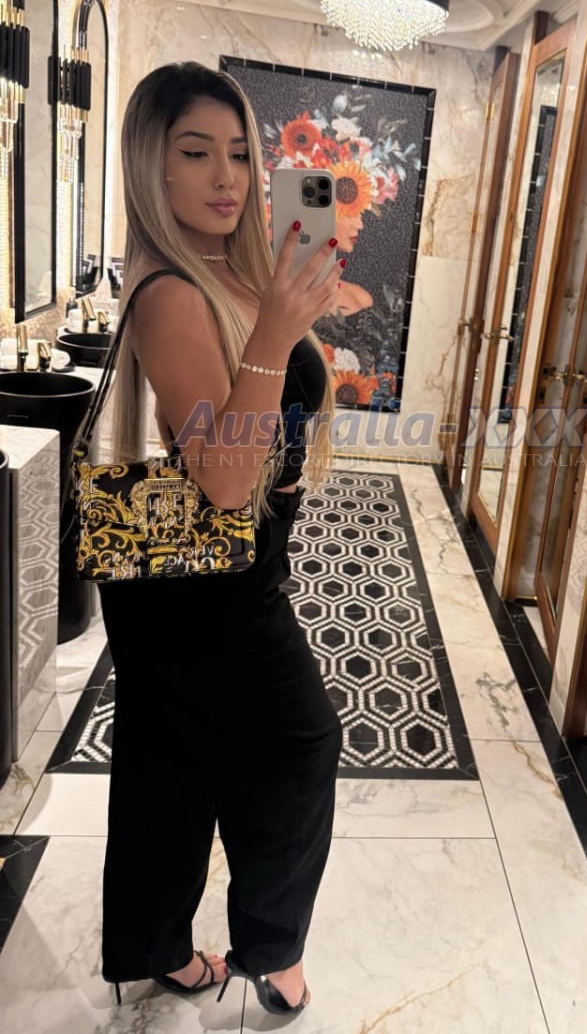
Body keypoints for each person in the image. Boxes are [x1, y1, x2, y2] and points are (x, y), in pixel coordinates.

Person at [84, 61, 345, 1016]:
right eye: (196, 153)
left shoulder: (230, 273)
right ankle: (274, 952)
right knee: (301, 743)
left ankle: (159, 947)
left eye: (239, 153)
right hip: (208, 588)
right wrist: (275, 332)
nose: (226, 177)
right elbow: (228, 481)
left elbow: (263, 417)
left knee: (175, 766)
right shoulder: (169, 293)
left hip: (209, 576)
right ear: (151, 164)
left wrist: (291, 320)